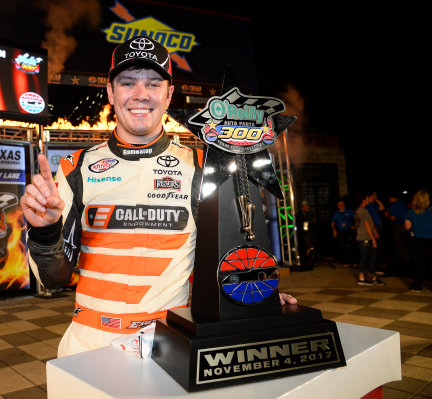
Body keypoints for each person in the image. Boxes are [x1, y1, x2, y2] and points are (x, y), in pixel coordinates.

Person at [20, 36, 297, 358]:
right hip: (87, 343)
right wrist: (44, 230)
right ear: (111, 92)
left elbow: (229, 255)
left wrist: (255, 294)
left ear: (168, 95)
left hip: (171, 341)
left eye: (153, 84)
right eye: (127, 83)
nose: (140, 95)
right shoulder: (75, 167)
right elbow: (53, 279)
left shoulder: (204, 168)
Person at [404, 189, 432, 292]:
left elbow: (407, 227)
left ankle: (417, 286)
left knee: (419, 263)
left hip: (418, 239)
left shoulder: (410, 212)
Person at [355, 193, 385, 286]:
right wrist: (373, 238)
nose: (369, 199)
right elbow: (367, 225)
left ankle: (372, 277)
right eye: (368, 198)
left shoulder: (362, 210)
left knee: (369, 257)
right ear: (363, 200)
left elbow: (370, 223)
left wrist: (375, 232)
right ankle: (363, 278)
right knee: (367, 258)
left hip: (364, 237)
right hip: (365, 238)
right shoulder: (362, 211)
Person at [387, 192, 411, 275]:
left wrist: (387, 215)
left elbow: (393, 218)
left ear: (391, 198)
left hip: (398, 226)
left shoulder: (394, 205)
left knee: (399, 245)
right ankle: (408, 262)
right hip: (406, 226)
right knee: (405, 244)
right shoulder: (403, 204)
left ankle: (404, 264)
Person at [331, 200, 355, 267]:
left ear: (344, 205)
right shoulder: (336, 213)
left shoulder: (349, 211)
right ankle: (345, 261)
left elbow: (356, 218)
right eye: (339, 205)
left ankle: (353, 261)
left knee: (351, 246)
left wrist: (354, 225)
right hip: (341, 231)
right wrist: (334, 230)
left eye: (341, 204)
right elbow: (333, 222)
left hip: (349, 231)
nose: (340, 206)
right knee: (342, 246)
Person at [296, 201, 317, 267]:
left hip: (310, 232)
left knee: (310, 246)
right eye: (305, 206)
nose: (307, 208)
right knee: (306, 246)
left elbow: (313, 222)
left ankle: (310, 260)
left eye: (308, 206)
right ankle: (305, 261)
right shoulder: (299, 214)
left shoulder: (310, 214)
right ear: (303, 207)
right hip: (303, 233)